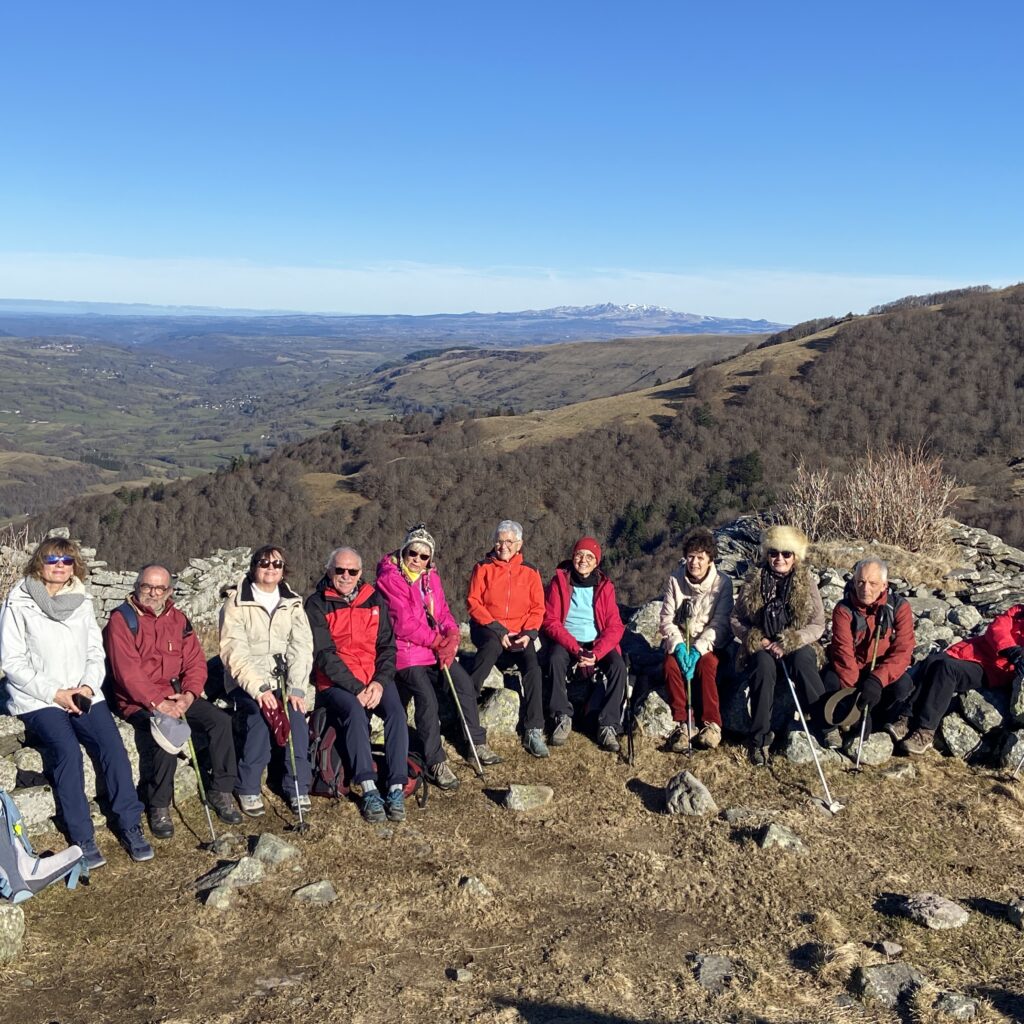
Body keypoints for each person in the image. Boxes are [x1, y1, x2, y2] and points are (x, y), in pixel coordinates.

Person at [0, 538, 152, 867]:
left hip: (83, 690)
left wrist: (86, 685)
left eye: (67, 561)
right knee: (67, 751)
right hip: (38, 698)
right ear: (39, 562)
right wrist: (56, 693)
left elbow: (94, 652)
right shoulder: (19, 601)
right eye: (53, 558)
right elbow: (12, 661)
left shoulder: (81, 599)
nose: (60, 565)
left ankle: (129, 823)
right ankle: (82, 836)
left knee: (111, 747)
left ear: (75, 566)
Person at [105, 564, 242, 838]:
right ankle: (159, 805)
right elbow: (126, 672)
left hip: (178, 694)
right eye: (147, 586)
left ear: (169, 591)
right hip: (137, 701)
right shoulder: (122, 621)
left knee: (220, 722)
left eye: (160, 588)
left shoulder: (178, 620)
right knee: (165, 733)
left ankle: (221, 788)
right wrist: (159, 703)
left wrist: (189, 694)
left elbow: (195, 662)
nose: (153, 593)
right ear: (137, 587)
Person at [376, 525, 502, 790]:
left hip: (433, 649)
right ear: (403, 551)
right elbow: (403, 623)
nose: (417, 560)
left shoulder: (430, 578)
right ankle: (435, 760)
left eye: (424, 556)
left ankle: (474, 742)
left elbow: (443, 612)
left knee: (464, 684)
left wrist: (453, 636)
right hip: (406, 652)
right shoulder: (390, 579)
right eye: (413, 553)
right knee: (426, 698)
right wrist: (437, 641)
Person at [306, 546, 408, 822]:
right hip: (336, 684)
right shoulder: (317, 604)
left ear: (361, 573)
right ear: (329, 571)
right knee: (353, 713)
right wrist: (356, 688)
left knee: (397, 713)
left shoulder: (374, 599)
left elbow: (387, 647)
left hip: (373, 679)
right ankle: (369, 787)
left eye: (352, 571)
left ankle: (396, 786)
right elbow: (324, 654)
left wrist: (379, 682)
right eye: (340, 570)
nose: (346, 576)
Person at [219, 545, 314, 816]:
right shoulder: (236, 603)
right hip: (247, 680)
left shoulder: (292, 602)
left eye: (277, 564)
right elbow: (233, 651)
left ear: (284, 570)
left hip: (283, 677)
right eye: (264, 563)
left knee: (296, 715)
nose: (270, 568)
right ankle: (248, 786)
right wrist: (259, 689)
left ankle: (297, 784)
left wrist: (296, 686)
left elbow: (301, 646)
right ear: (253, 567)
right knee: (261, 716)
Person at [731, 524, 826, 766]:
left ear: (795, 556)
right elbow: (736, 618)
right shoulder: (754, 581)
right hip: (762, 643)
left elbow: (817, 624)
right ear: (767, 554)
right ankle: (759, 739)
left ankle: (824, 722)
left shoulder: (806, 583)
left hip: (794, 642)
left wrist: (792, 641)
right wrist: (755, 638)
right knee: (762, 668)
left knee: (804, 661)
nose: (779, 559)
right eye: (774, 553)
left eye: (786, 554)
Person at [467, 520, 547, 757]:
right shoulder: (483, 567)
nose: (503, 546)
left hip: (520, 633)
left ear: (519, 544)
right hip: (488, 628)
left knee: (532, 666)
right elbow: (473, 602)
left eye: (509, 542)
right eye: (500, 541)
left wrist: (529, 633)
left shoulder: (530, 571)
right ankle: (467, 705)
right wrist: (498, 630)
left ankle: (534, 729)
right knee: (490, 649)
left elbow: (538, 608)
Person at [898, 603, 1024, 755]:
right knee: (932, 661)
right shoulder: (1018, 611)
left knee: (947, 669)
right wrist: (1013, 650)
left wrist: (1015, 656)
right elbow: (997, 628)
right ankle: (906, 718)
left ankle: (925, 731)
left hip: (994, 669)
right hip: (975, 652)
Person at [542, 536, 626, 753]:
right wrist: (575, 649)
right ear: (573, 556)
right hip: (568, 639)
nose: (584, 560)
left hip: (596, 642)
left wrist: (596, 653)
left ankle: (608, 724)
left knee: (618, 667)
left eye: (590, 557)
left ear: (597, 562)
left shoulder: (605, 586)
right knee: (555, 659)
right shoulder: (559, 581)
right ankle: (561, 715)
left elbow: (615, 626)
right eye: (580, 555)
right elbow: (550, 621)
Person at [658, 526, 734, 752]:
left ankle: (712, 724)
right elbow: (666, 619)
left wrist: (699, 648)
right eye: (690, 557)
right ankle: (684, 722)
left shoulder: (723, 583)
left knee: (707, 665)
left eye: (701, 557)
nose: (695, 563)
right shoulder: (675, 580)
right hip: (681, 639)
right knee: (671, 665)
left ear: (710, 560)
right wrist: (679, 645)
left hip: (710, 642)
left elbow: (721, 623)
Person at [823, 557, 915, 742]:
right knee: (829, 683)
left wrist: (877, 680)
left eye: (872, 583)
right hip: (852, 672)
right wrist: (857, 696)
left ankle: (883, 721)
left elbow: (903, 650)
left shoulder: (899, 607)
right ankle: (838, 724)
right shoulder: (843, 609)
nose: (865, 589)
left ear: (884, 585)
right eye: (860, 582)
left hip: (879, 671)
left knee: (903, 686)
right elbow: (843, 652)